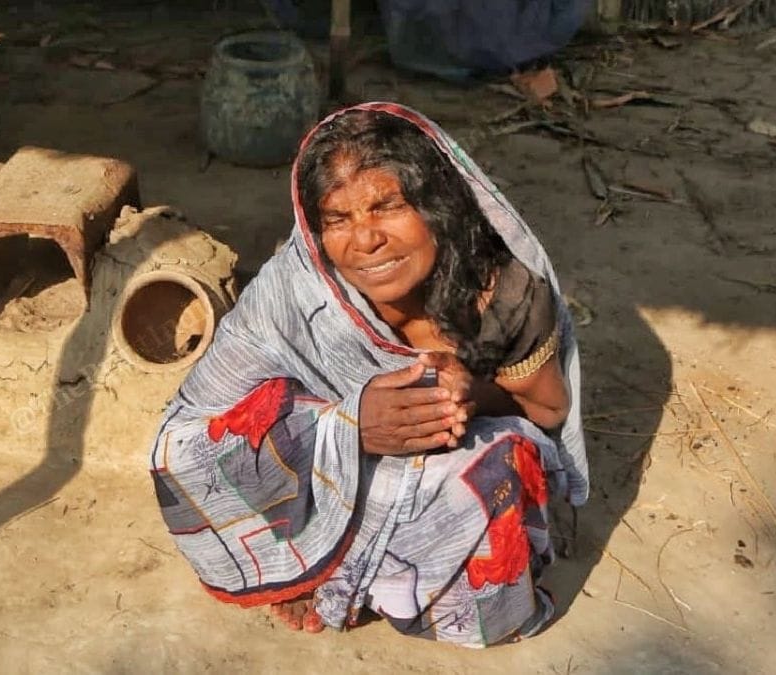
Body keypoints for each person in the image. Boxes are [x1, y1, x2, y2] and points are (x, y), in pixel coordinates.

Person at [149, 102, 588, 647]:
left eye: (388, 206)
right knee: (222, 441)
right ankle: (313, 564)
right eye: (338, 219)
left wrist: (467, 394)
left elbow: (547, 410)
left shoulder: (502, 292)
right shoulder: (295, 290)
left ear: (439, 204)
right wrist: (349, 427)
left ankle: (352, 572)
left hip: (438, 469)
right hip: (325, 483)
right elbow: (186, 434)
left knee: (501, 465)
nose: (364, 240)